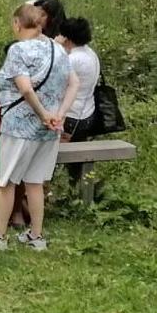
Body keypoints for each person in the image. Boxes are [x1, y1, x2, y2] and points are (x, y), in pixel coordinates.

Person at [0, 3, 79, 251]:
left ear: (17, 23)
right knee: (35, 182)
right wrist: (59, 115)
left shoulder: (18, 50)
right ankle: (36, 235)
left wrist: (43, 114)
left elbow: (24, 88)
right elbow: (74, 83)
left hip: (19, 126)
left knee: (6, 182)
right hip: (49, 130)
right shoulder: (58, 49)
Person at [57, 17, 101, 203]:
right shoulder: (91, 54)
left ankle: (61, 193)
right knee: (76, 163)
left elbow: (57, 80)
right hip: (87, 112)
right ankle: (78, 193)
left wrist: (57, 47)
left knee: (56, 158)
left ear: (67, 38)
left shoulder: (72, 59)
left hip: (71, 116)